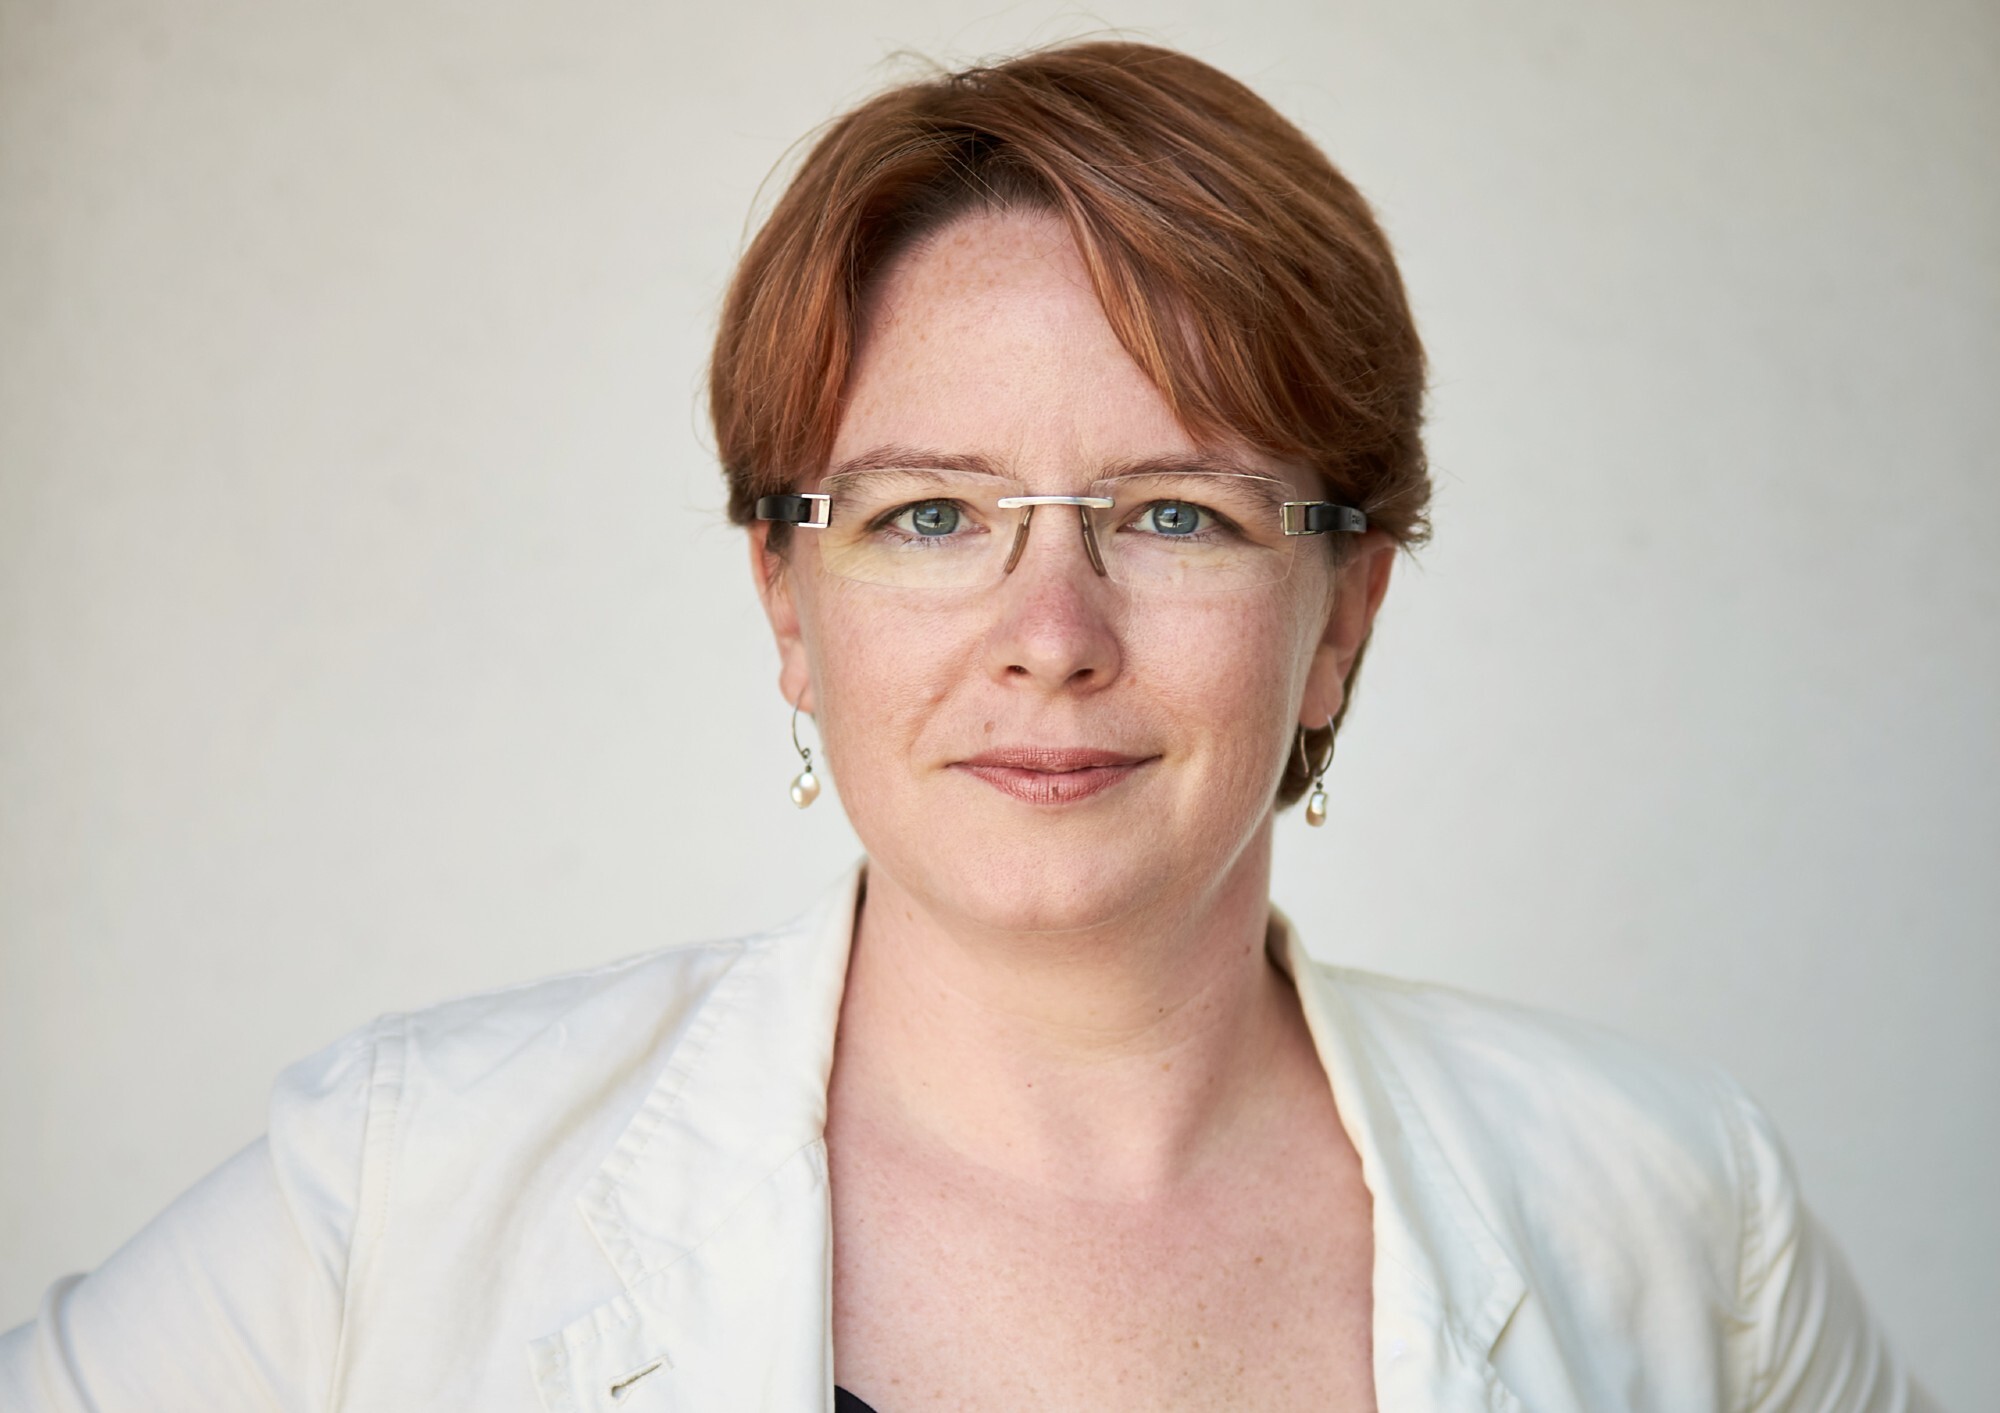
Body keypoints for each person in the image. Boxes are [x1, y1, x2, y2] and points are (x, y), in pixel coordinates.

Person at [0, 38, 1934, 1413]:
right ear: (787, 602)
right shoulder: (399, 1197)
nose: (1052, 631)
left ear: (1342, 612)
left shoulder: (1685, 1216)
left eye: (1177, 510)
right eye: (930, 512)